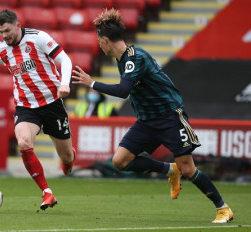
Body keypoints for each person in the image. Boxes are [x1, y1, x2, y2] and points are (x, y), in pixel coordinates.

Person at [72, 8, 233, 224]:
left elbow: (123, 91)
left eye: (100, 40)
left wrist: (92, 83)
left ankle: (223, 208)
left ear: (106, 40)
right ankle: (169, 170)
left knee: (188, 168)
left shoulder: (135, 58)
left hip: (169, 117)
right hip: (147, 120)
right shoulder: (123, 60)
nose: (99, 45)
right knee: (119, 161)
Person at [0, 10, 76, 210]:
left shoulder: (38, 39)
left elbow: (65, 59)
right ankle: (47, 192)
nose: (5, 36)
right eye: (1, 32)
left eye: (8, 31)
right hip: (26, 106)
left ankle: (69, 159)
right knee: (23, 142)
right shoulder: (1, 49)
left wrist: (65, 84)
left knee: (66, 157)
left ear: (18, 26)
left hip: (52, 102)